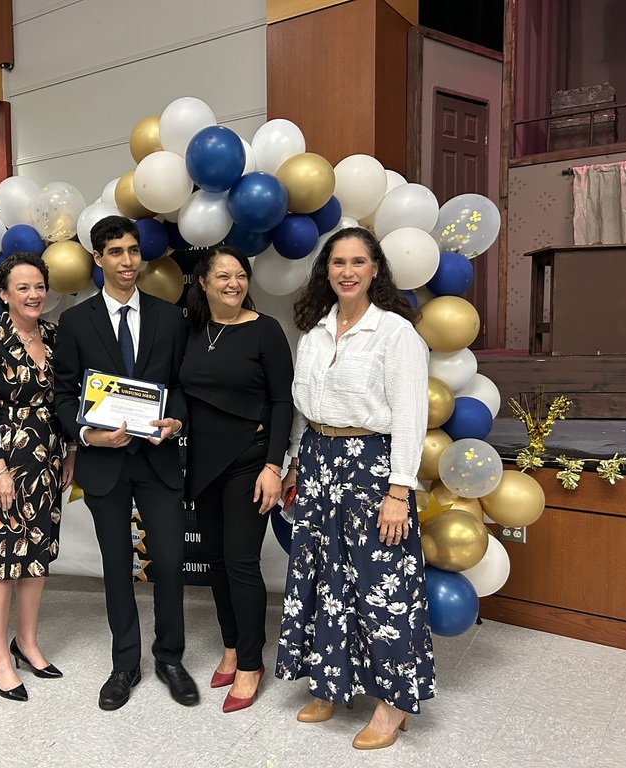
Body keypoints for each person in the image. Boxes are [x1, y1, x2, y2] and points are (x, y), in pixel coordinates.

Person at [275, 227, 435, 750]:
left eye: (358, 262)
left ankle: (393, 705)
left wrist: (399, 491)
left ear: (374, 271)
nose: (346, 271)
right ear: (327, 271)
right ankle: (329, 683)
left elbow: (412, 418)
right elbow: (304, 409)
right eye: (337, 262)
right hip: (319, 464)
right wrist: (295, 463)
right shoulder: (315, 333)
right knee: (323, 579)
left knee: (380, 586)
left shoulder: (395, 333)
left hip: (372, 468)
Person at [54, 215, 199, 711]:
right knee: (116, 565)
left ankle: (170, 659)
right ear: (98, 259)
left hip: (157, 459)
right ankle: (124, 665)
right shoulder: (75, 322)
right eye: (115, 252)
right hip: (105, 462)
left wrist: (175, 422)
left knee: (172, 563)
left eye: (133, 251)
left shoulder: (169, 316)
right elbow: (64, 394)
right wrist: (86, 433)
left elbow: (180, 387)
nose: (127, 260)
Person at [180, 245, 293, 713]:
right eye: (222, 275)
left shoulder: (265, 330)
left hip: (250, 462)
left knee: (243, 562)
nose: (233, 282)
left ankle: (250, 662)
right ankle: (230, 645)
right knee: (218, 563)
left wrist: (274, 467)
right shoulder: (189, 330)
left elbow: (284, 402)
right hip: (202, 464)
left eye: (240, 274)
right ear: (203, 282)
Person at [0, 253, 75, 702]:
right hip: (5, 466)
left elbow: (67, 399)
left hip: (47, 461)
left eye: (39, 286)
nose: (34, 295)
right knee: (1, 562)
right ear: (3, 294)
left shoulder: (54, 335)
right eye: (23, 288)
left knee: (36, 558)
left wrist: (70, 450)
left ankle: (26, 642)